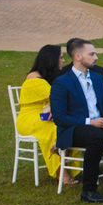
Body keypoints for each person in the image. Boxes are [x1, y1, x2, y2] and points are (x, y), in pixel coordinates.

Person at [49, 38, 103, 203]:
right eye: (91, 54)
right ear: (77, 56)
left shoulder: (98, 78)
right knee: (96, 137)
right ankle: (89, 190)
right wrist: (90, 122)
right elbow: (59, 117)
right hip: (73, 129)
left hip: (100, 124)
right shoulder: (62, 82)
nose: (96, 57)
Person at [17, 44, 71, 179]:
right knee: (53, 128)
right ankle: (61, 172)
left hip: (45, 114)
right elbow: (58, 97)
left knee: (69, 125)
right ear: (51, 60)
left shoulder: (49, 77)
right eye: (60, 57)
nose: (63, 61)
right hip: (29, 118)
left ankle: (66, 165)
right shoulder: (35, 79)